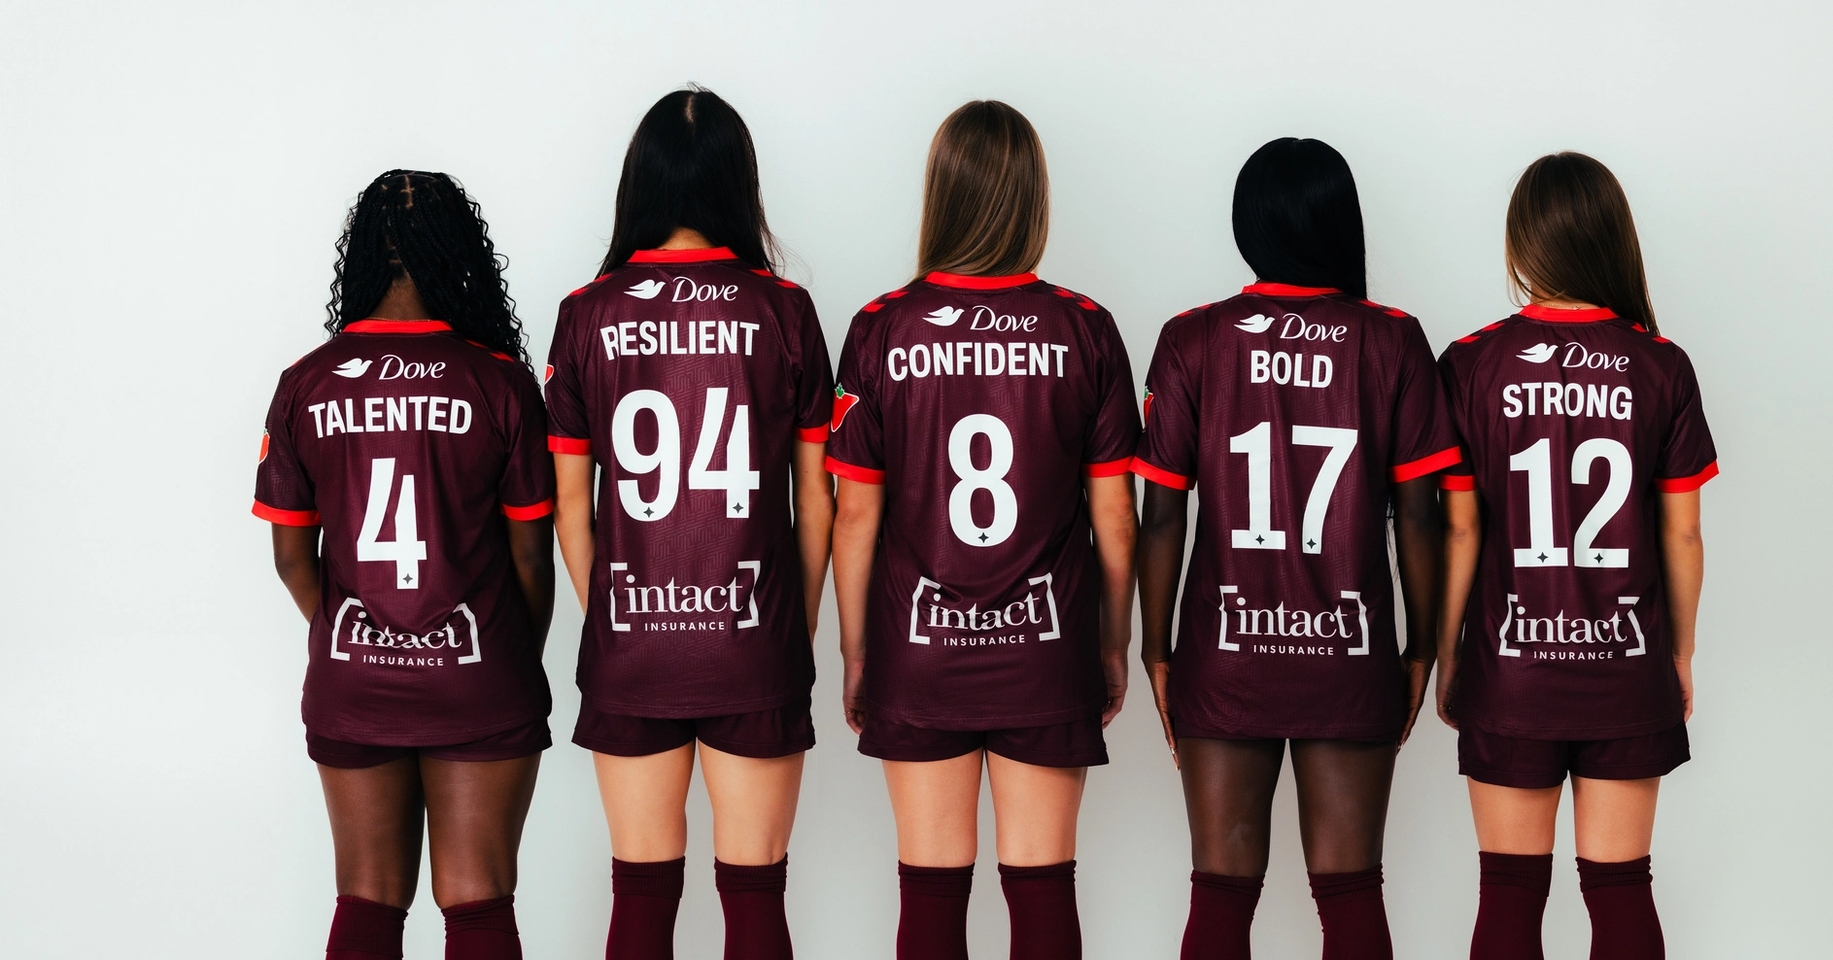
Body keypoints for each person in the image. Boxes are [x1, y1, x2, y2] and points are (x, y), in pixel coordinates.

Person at [827, 99, 1140, 960]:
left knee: (930, 897)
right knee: (1043, 893)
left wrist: (856, 650)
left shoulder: (881, 326)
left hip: (919, 646)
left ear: (941, 195)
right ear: (1033, 198)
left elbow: (855, 513)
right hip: (1047, 645)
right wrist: (1113, 641)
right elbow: (1116, 513)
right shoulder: (1084, 327)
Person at [1133, 138, 1455, 960]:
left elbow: (1161, 517)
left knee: (1219, 898)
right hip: (1349, 651)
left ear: (1248, 225)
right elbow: (1422, 518)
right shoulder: (1393, 339)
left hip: (1223, 652)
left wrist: (1155, 649)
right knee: (1352, 900)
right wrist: (1422, 648)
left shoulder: (1191, 338)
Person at [544, 87, 836, 960]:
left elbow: (571, 505)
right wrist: (793, 628)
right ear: (738, 185)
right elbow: (816, 502)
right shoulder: (784, 310)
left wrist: (614, 620)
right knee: (755, 899)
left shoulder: (587, 311)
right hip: (753, 638)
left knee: (639, 897)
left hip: (633, 641)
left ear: (640, 183)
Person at [254, 169, 555, 960]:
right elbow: (532, 553)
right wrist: (507, 657)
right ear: (460, 256)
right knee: (479, 900)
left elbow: (291, 558)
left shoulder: (306, 383)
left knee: (367, 898)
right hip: (480, 672)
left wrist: (362, 633)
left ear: (360, 256)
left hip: (353, 674)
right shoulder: (499, 382)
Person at [1434, 152, 1717, 960]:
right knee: (1622, 891)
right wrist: (1680, 654)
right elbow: (1683, 534)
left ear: (1522, 244)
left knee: (1508, 895)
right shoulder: (1661, 364)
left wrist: (1450, 654)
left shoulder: (1471, 361)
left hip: (1509, 669)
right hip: (1626, 667)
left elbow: (1460, 531)